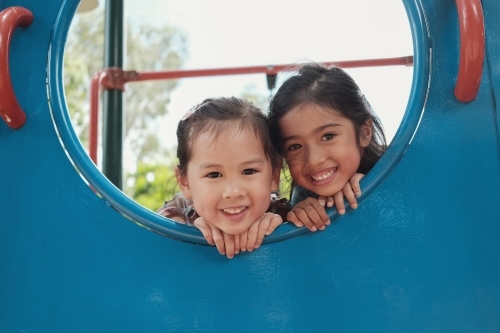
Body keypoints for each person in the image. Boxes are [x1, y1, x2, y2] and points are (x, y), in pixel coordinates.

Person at [157, 97, 291, 258]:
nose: (233, 192)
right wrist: (185, 231)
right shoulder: (178, 215)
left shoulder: (286, 216)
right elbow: (149, 235)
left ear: (274, 174)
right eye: (214, 174)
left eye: (249, 171)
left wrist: (283, 227)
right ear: (185, 182)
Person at [268, 63, 387, 232]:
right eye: (295, 146)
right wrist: (297, 217)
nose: (314, 160)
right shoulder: (303, 198)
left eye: (328, 136)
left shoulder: (401, 167)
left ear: (364, 133)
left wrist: (376, 182)